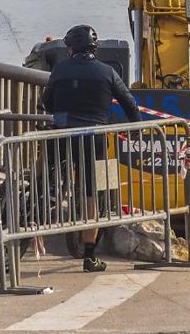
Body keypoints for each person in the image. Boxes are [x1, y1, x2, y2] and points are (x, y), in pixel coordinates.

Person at [41, 24, 141, 273]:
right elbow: (130, 103)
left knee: (49, 179)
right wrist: (136, 128)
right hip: (93, 140)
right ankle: (89, 256)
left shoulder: (61, 69)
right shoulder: (107, 72)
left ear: (71, 49)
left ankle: (41, 205)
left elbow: (47, 102)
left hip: (62, 136)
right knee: (90, 197)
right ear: (94, 49)